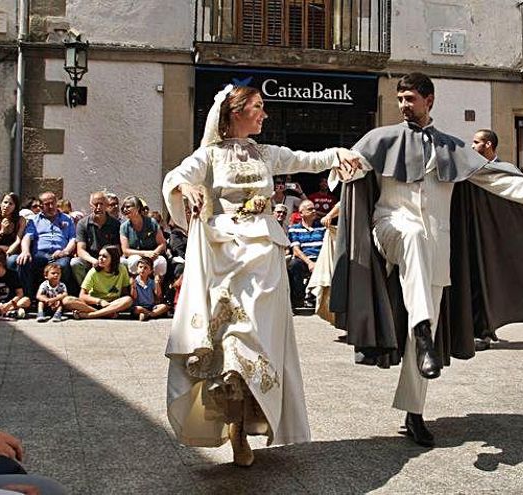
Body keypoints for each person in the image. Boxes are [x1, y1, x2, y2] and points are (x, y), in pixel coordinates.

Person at [330, 73, 523, 448]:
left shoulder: (453, 148)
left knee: (420, 330)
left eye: (410, 98)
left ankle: (415, 411)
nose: (403, 105)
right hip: (390, 227)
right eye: (400, 99)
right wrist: (343, 167)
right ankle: (425, 331)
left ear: (429, 100)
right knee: (410, 236)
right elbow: (347, 169)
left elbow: (495, 178)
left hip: (436, 248)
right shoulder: (380, 139)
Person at [162, 83, 362, 466]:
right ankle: (237, 433)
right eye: (257, 107)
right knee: (232, 342)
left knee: (258, 343)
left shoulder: (267, 154)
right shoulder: (209, 156)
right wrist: (187, 187)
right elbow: (177, 175)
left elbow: (310, 158)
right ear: (235, 111)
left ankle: (248, 425)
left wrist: (341, 154)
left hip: (264, 259)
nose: (264, 114)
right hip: (226, 257)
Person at [13, 191, 77, 298]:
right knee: (23, 261)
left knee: (63, 265)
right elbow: (27, 237)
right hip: (40, 254)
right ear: (41, 205)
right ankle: (27, 298)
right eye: (47, 204)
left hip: (60, 254)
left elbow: (72, 239)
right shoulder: (34, 220)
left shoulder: (67, 219)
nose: (51, 206)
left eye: (53, 203)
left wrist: (65, 251)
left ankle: (60, 298)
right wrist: (25, 251)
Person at [64, 245, 133, 319]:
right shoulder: (94, 271)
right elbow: (82, 296)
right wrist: (99, 301)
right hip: (95, 303)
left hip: (112, 304)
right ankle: (106, 314)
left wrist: (132, 286)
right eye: (99, 256)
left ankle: (90, 315)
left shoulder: (121, 269)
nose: (100, 258)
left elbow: (124, 292)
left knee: (128, 300)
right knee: (67, 300)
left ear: (113, 258)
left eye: (104, 256)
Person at [71, 191, 121, 285]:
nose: (98, 207)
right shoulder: (82, 224)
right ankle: (86, 290)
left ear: (106, 205)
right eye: (95, 204)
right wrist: (93, 260)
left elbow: (117, 249)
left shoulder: (115, 224)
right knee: (75, 263)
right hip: (90, 259)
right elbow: (80, 250)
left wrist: (106, 261)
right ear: (91, 206)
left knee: (124, 263)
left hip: (109, 258)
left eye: (101, 204)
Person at [287, 200, 326, 308]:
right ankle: (299, 298)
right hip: (305, 260)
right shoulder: (294, 229)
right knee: (294, 265)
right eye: (310, 209)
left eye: (314, 209)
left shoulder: (322, 227)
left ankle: (317, 298)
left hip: (321, 259)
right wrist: (309, 263)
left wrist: (319, 262)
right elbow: (296, 250)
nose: (314, 211)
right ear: (301, 213)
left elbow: (327, 246)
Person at [130, 257, 169, 321]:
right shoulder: (135, 281)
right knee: (137, 309)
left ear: (150, 271)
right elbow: (134, 297)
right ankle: (151, 314)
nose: (142, 269)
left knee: (165, 306)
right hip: (139, 306)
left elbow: (158, 295)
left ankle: (148, 314)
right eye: (140, 267)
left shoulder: (151, 282)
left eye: (145, 268)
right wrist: (133, 287)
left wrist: (157, 283)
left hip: (151, 307)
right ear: (137, 269)